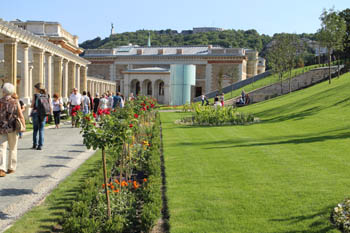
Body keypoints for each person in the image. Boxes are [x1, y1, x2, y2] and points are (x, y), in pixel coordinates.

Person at [0, 83, 25, 177]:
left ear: (3, 91)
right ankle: (11, 167)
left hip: (1, 127)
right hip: (13, 127)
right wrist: (23, 126)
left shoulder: (0, 101)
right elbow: (20, 115)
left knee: (1, 148)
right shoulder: (15, 101)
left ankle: (1, 169)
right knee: (13, 147)